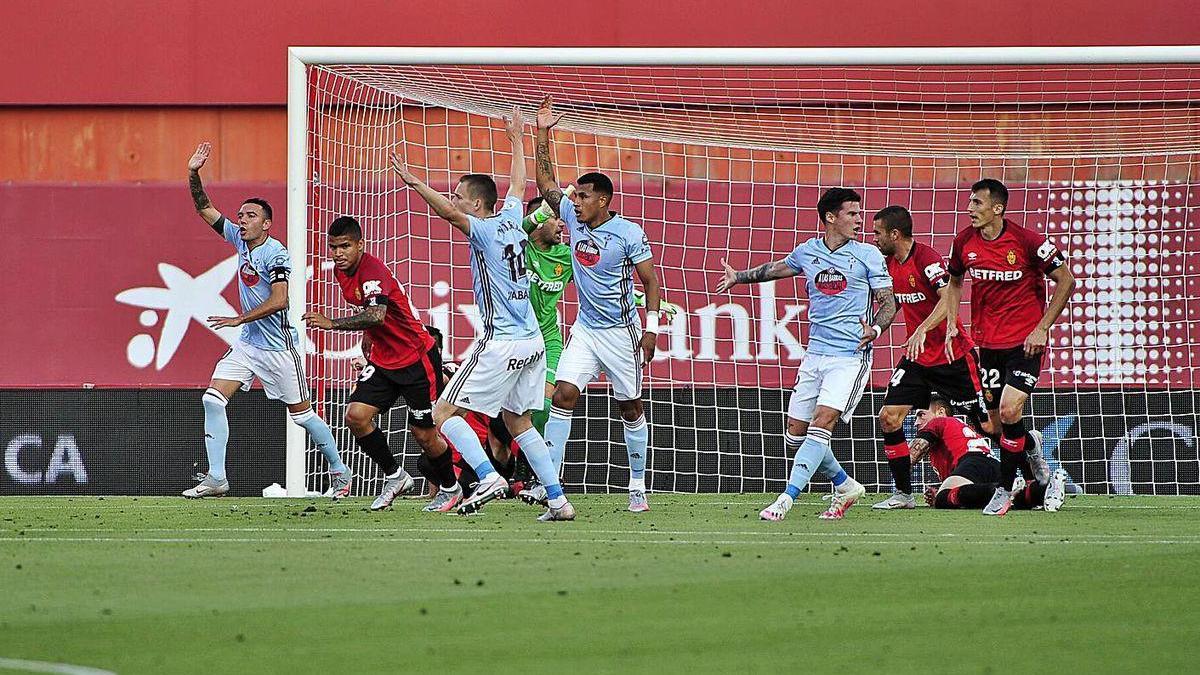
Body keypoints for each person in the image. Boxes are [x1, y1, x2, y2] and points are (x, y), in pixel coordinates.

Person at [390, 106, 574, 521]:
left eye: (459, 195)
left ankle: (489, 477)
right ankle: (559, 500)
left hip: (501, 341)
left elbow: (448, 213)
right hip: (533, 343)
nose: (455, 200)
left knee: (442, 413)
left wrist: (415, 181)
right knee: (518, 420)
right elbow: (519, 183)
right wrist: (517, 139)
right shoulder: (511, 217)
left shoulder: (486, 228)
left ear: (476, 203)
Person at [717, 188, 897, 521]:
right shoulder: (808, 251)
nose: (859, 220)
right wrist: (738, 277)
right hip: (815, 354)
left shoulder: (868, 255)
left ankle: (786, 498)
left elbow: (888, 301)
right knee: (794, 436)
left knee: (822, 423)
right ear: (831, 217)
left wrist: (876, 330)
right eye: (852, 214)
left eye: (859, 214)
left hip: (850, 356)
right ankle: (846, 486)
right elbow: (775, 269)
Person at [182, 142, 350, 498]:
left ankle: (339, 470)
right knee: (213, 398)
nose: (241, 220)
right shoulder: (239, 241)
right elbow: (204, 208)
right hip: (249, 345)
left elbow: (280, 300)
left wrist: (239, 318)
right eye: (240, 215)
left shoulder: (276, 253)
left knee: (302, 416)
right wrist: (194, 173)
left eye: (250, 216)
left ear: (267, 224)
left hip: (278, 348)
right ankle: (216, 478)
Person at [533, 95, 664, 513]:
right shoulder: (571, 218)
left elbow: (650, 281)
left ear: (602, 200)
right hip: (586, 330)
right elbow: (546, 186)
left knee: (630, 406)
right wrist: (542, 134)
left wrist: (651, 330)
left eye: (583, 196)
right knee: (564, 395)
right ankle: (551, 489)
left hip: (622, 332)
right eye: (576, 197)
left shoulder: (628, 233)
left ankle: (638, 485)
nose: (575, 202)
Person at [302, 217, 462, 512]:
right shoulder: (343, 271)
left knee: (424, 433)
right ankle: (395, 476)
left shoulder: (371, 269)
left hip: (416, 358)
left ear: (360, 245)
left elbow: (376, 314)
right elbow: (371, 314)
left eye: (345, 246)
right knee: (356, 416)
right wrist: (368, 339)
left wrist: (332, 323)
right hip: (384, 359)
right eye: (334, 247)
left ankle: (451, 488)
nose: (338, 253)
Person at [943, 179, 1076, 514]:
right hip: (988, 344)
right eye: (970, 202)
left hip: (1024, 343)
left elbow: (1067, 280)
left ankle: (1005, 488)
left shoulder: (1028, 241)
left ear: (997, 208)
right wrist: (951, 323)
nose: (969, 209)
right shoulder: (963, 243)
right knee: (995, 427)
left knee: (1009, 410)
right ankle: (1032, 445)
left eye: (976, 203)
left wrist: (1041, 328)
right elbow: (955, 281)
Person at [869, 205, 988, 510]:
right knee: (889, 417)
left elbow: (948, 296)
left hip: (952, 354)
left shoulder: (927, 258)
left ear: (895, 234)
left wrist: (922, 327)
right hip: (918, 358)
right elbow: (894, 303)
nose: (874, 238)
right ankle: (903, 494)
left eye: (878, 233)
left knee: (990, 426)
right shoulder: (889, 263)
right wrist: (876, 328)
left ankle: (1032, 469)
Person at [911, 396, 1066, 514]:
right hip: (992, 465)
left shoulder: (938, 422)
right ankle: (1047, 489)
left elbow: (913, 454)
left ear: (940, 412)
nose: (916, 422)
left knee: (943, 499)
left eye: (921, 415)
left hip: (971, 463)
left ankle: (1005, 486)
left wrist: (901, 478)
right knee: (1013, 500)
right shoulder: (956, 431)